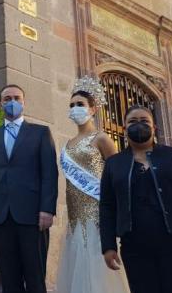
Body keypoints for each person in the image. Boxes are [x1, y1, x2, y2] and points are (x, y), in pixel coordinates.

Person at [99, 105, 172, 293]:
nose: (139, 124)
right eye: (132, 122)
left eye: (144, 121)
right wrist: (108, 246)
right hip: (135, 247)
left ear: (154, 127)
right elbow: (107, 206)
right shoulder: (113, 164)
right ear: (124, 128)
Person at [0, 84, 58, 293]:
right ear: (0, 103)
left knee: (35, 277)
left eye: (17, 98)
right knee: (8, 279)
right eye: (7, 99)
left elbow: (49, 173)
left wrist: (47, 209)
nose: (12, 102)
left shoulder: (40, 133)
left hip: (32, 216)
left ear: (24, 102)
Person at [55, 77, 129, 293]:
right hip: (75, 213)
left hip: (97, 212)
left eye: (80, 104)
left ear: (93, 109)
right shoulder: (68, 144)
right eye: (72, 105)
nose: (75, 108)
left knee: (98, 266)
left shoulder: (102, 138)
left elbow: (117, 175)